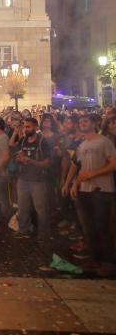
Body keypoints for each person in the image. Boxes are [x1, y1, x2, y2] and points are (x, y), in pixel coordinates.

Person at [67, 114, 116, 266]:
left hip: (101, 190)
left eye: (86, 121)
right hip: (84, 190)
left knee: (102, 226)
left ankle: (109, 261)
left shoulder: (104, 142)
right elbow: (79, 167)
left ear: (94, 124)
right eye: (81, 121)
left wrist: (92, 174)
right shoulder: (82, 145)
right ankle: (95, 258)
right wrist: (74, 184)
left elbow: (113, 164)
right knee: (88, 227)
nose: (82, 123)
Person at [14, 118, 51, 239]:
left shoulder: (42, 142)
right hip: (23, 179)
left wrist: (31, 161)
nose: (25, 129)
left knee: (40, 208)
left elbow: (47, 163)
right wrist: (19, 159)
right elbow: (16, 157)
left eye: (28, 127)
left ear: (35, 127)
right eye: (24, 126)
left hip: (38, 180)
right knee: (22, 206)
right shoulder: (22, 141)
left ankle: (43, 233)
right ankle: (24, 230)